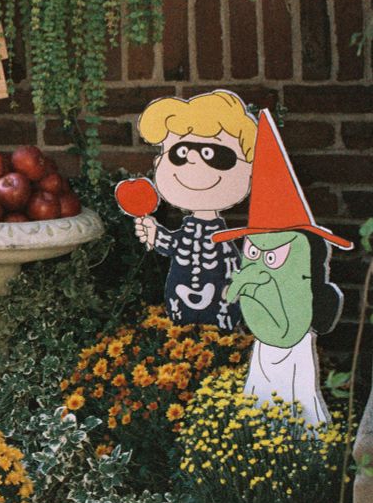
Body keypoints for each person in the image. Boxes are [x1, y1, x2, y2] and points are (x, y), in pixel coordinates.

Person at [215, 109, 352, 425]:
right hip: (266, 347)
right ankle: (261, 435)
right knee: (259, 393)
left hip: (296, 343)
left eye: (274, 257)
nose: (261, 268)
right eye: (254, 252)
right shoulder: (257, 301)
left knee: (300, 401)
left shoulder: (300, 303)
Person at [131, 90, 256, 330]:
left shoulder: (224, 240)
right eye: (180, 152)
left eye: (211, 153)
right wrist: (154, 233)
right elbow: (174, 244)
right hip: (180, 302)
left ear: (249, 168)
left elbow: (233, 263)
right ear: (159, 162)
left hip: (220, 306)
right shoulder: (186, 233)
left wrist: (240, 282)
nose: (194, 160)